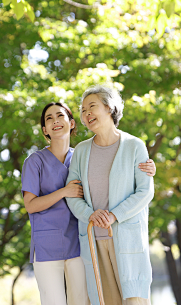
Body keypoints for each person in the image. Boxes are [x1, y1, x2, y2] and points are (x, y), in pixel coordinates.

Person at [21, 100, 155, 305]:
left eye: (60, 116)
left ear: (72, 123)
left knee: (84, 301)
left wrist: (149, 169)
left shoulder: (81, 155)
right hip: (47, 245)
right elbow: (30, 205)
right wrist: (64, 191)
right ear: (44, 129)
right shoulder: (35, 161)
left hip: (79, 244)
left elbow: (111, 174)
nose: (55, 121)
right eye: (49, 119)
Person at [66, 85, 154, 305]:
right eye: (83, 110)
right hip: (94, 240)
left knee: (135, 300)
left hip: (127, 239)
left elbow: (145, 191)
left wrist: (114, 215)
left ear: (109, 107)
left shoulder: (135, 146)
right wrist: (90, 215)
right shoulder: (81, 152)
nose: (86, 114)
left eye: (92, 107)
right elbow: (73, 194)